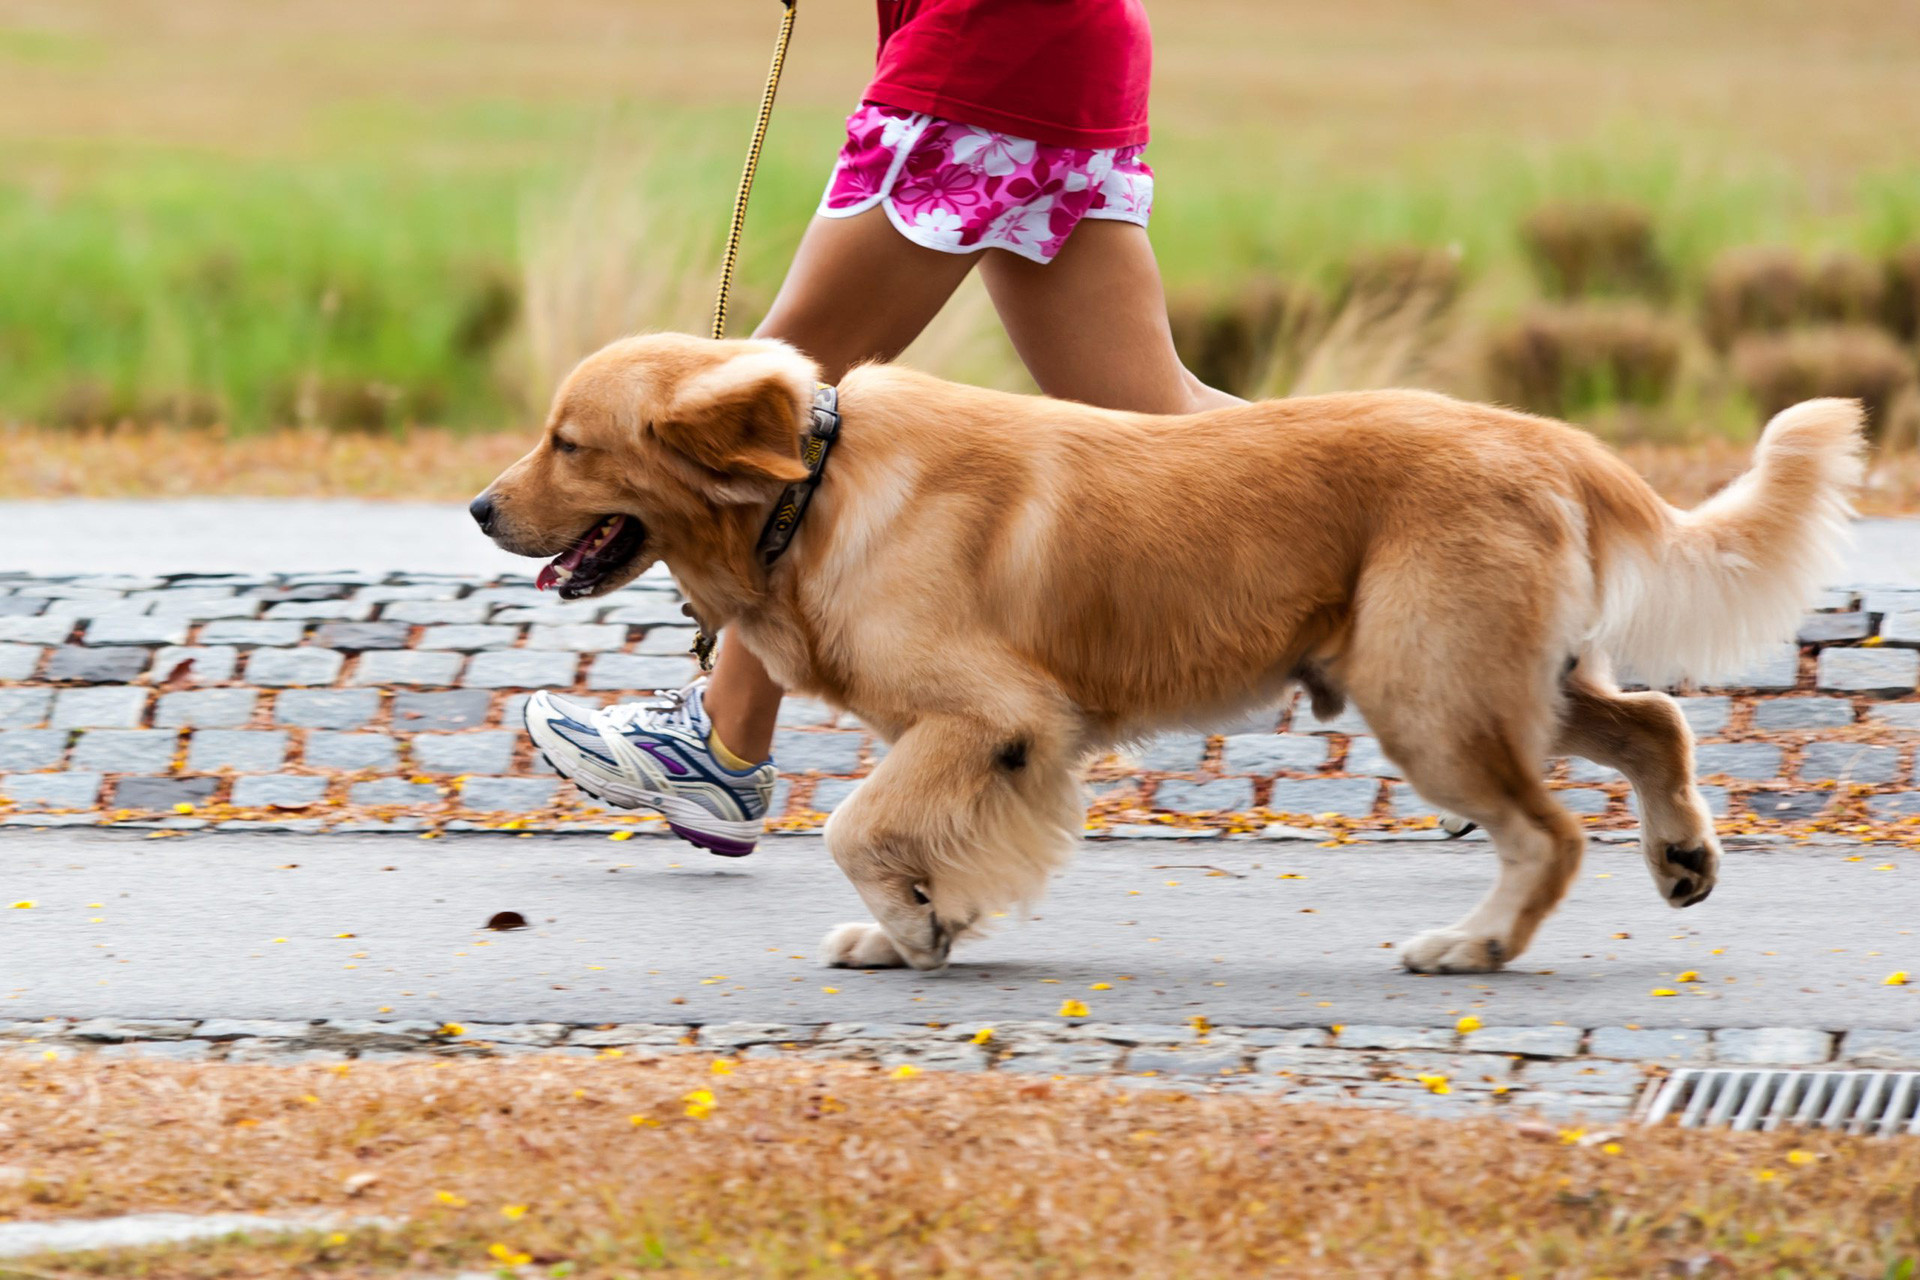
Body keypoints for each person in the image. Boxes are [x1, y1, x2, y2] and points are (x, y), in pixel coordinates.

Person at [525, 0, 1241, 856]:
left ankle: (719, 742)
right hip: (1070, 43)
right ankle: (1409, 528)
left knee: (763, 403)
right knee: (1165, 422)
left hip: (981, 52)